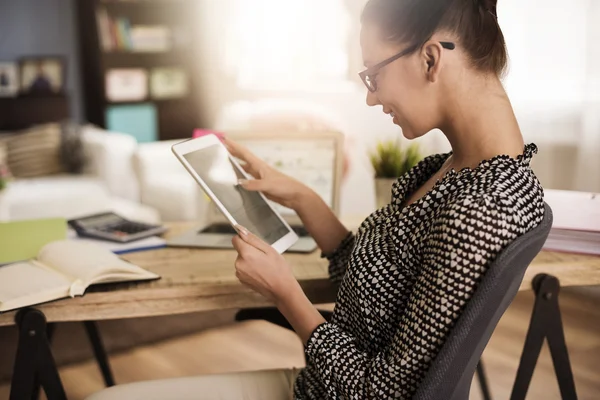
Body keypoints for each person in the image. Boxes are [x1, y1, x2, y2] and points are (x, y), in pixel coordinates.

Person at [86, 0, 545, 399]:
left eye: (373, 75)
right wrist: (300, 196)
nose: (371, 98)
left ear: (429, 59)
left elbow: (382, 393)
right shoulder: (459, 173)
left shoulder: (484, 204)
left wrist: (285, 294)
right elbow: (375, 289)